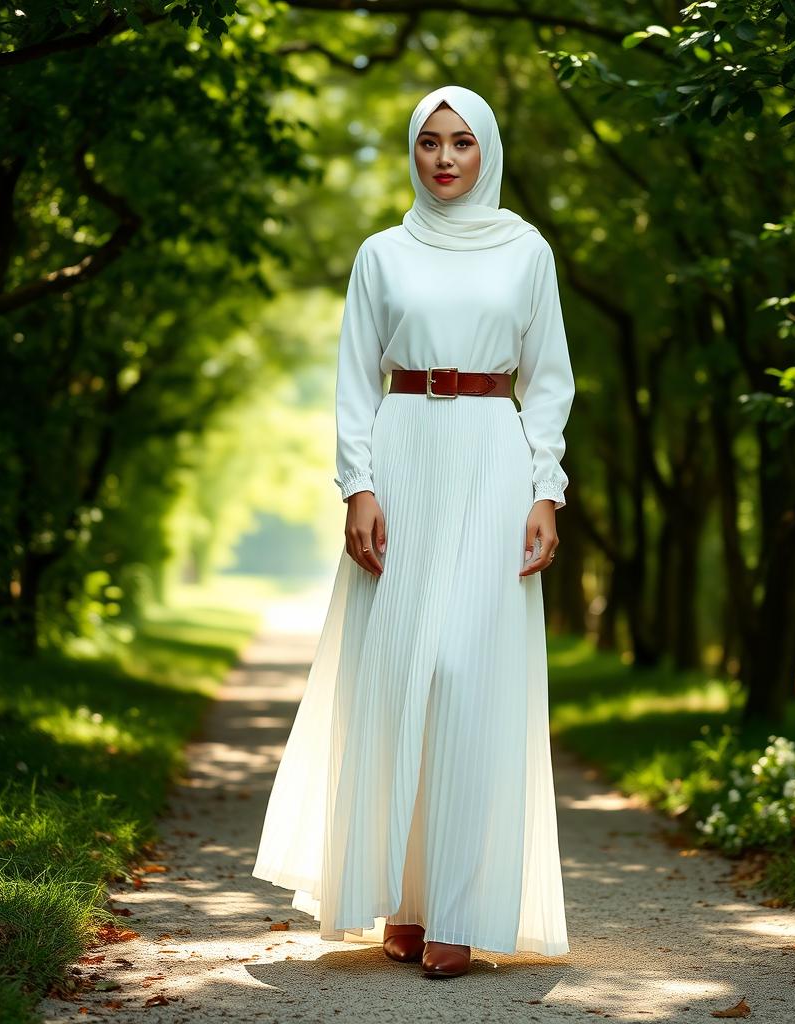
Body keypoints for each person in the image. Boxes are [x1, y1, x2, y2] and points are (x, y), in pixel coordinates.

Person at [252, 84, 575, 980]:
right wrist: (358, 485)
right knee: (399, 674)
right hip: (401, 456)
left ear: (487, 153)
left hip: (491, 460)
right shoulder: (380, 254)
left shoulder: (526, 252)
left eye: (462, 142)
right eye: (429, 141)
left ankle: (463, 913)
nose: (444, 158)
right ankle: (401, 898)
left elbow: (547, 378)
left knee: (468, 676)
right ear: (413, 151)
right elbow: (356, 377)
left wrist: (545, 490)